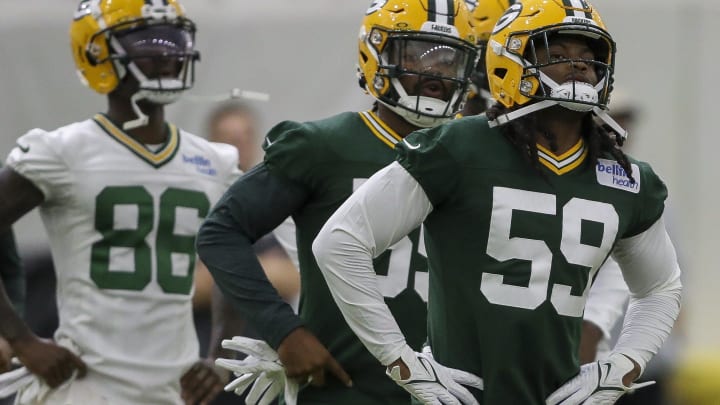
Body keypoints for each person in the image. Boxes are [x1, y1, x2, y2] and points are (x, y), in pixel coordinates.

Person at [313, 0, 682, 404]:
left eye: (588, 57)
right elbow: (340, 242)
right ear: (511, 62)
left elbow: (660, 287)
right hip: (464, 394)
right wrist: (400, 360)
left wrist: (623, 366)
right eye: (557, 53)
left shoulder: (627, 178)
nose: (578, 66)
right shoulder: (459, 147)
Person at [196, 1, 480, 403]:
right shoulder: (324, 146)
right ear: (375, 54)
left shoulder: (476, 154)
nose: (434, 70)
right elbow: (221, 232)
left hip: (451, 390)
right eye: (415, 52)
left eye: (450, 58)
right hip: (344, 388)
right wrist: (285, 331)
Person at [0, 0, 237, 403]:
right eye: (149, 42)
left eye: (174, 38)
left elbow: (240, 262)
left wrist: (223, 352)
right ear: (97, 54)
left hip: (174, 389)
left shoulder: (216, 162)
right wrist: (21, 339)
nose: (168, 53)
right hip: (87, 387)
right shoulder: (61, 152)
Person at [463, 0, 631, 367]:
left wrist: (593, 326)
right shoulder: (449, 148)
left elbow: (616, 238)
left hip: (550, 353)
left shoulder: (583, 143)